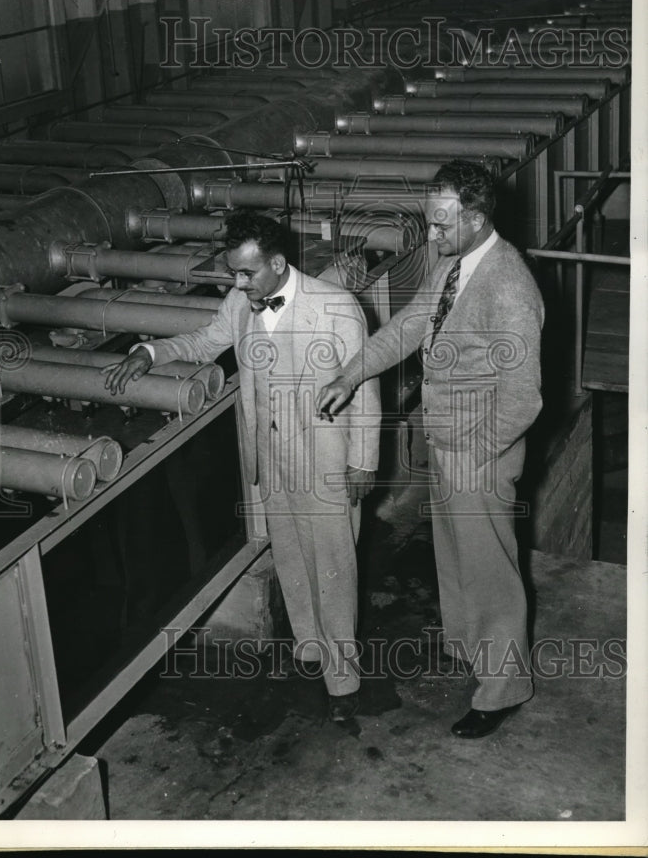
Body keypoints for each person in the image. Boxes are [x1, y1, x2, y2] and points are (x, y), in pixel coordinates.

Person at [103, 209, 381, 722]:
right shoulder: (241, 301)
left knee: (335, 569)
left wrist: (364, 462)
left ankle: (344, 680)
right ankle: (310, 648)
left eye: (246, 273)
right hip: (272, 460)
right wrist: (149, 353)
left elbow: (364, 390)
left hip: (326, 463)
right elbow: (206, 341)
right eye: (234, 273)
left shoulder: (337, 307)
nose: (237, 283)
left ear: (277, 264)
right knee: (293, 558)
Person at [317, 159, 544, 739]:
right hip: (447, 440)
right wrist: (351, 372)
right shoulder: (453, 262)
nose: (433, 236)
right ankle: (470, 650)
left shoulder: (509, 285)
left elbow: (523, 400)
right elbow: (411, 325)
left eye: (442, 226)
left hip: (483, 453)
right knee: (455, 557)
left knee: (491, 571)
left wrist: (475, 457)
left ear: (474, 217)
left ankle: (503, 688)